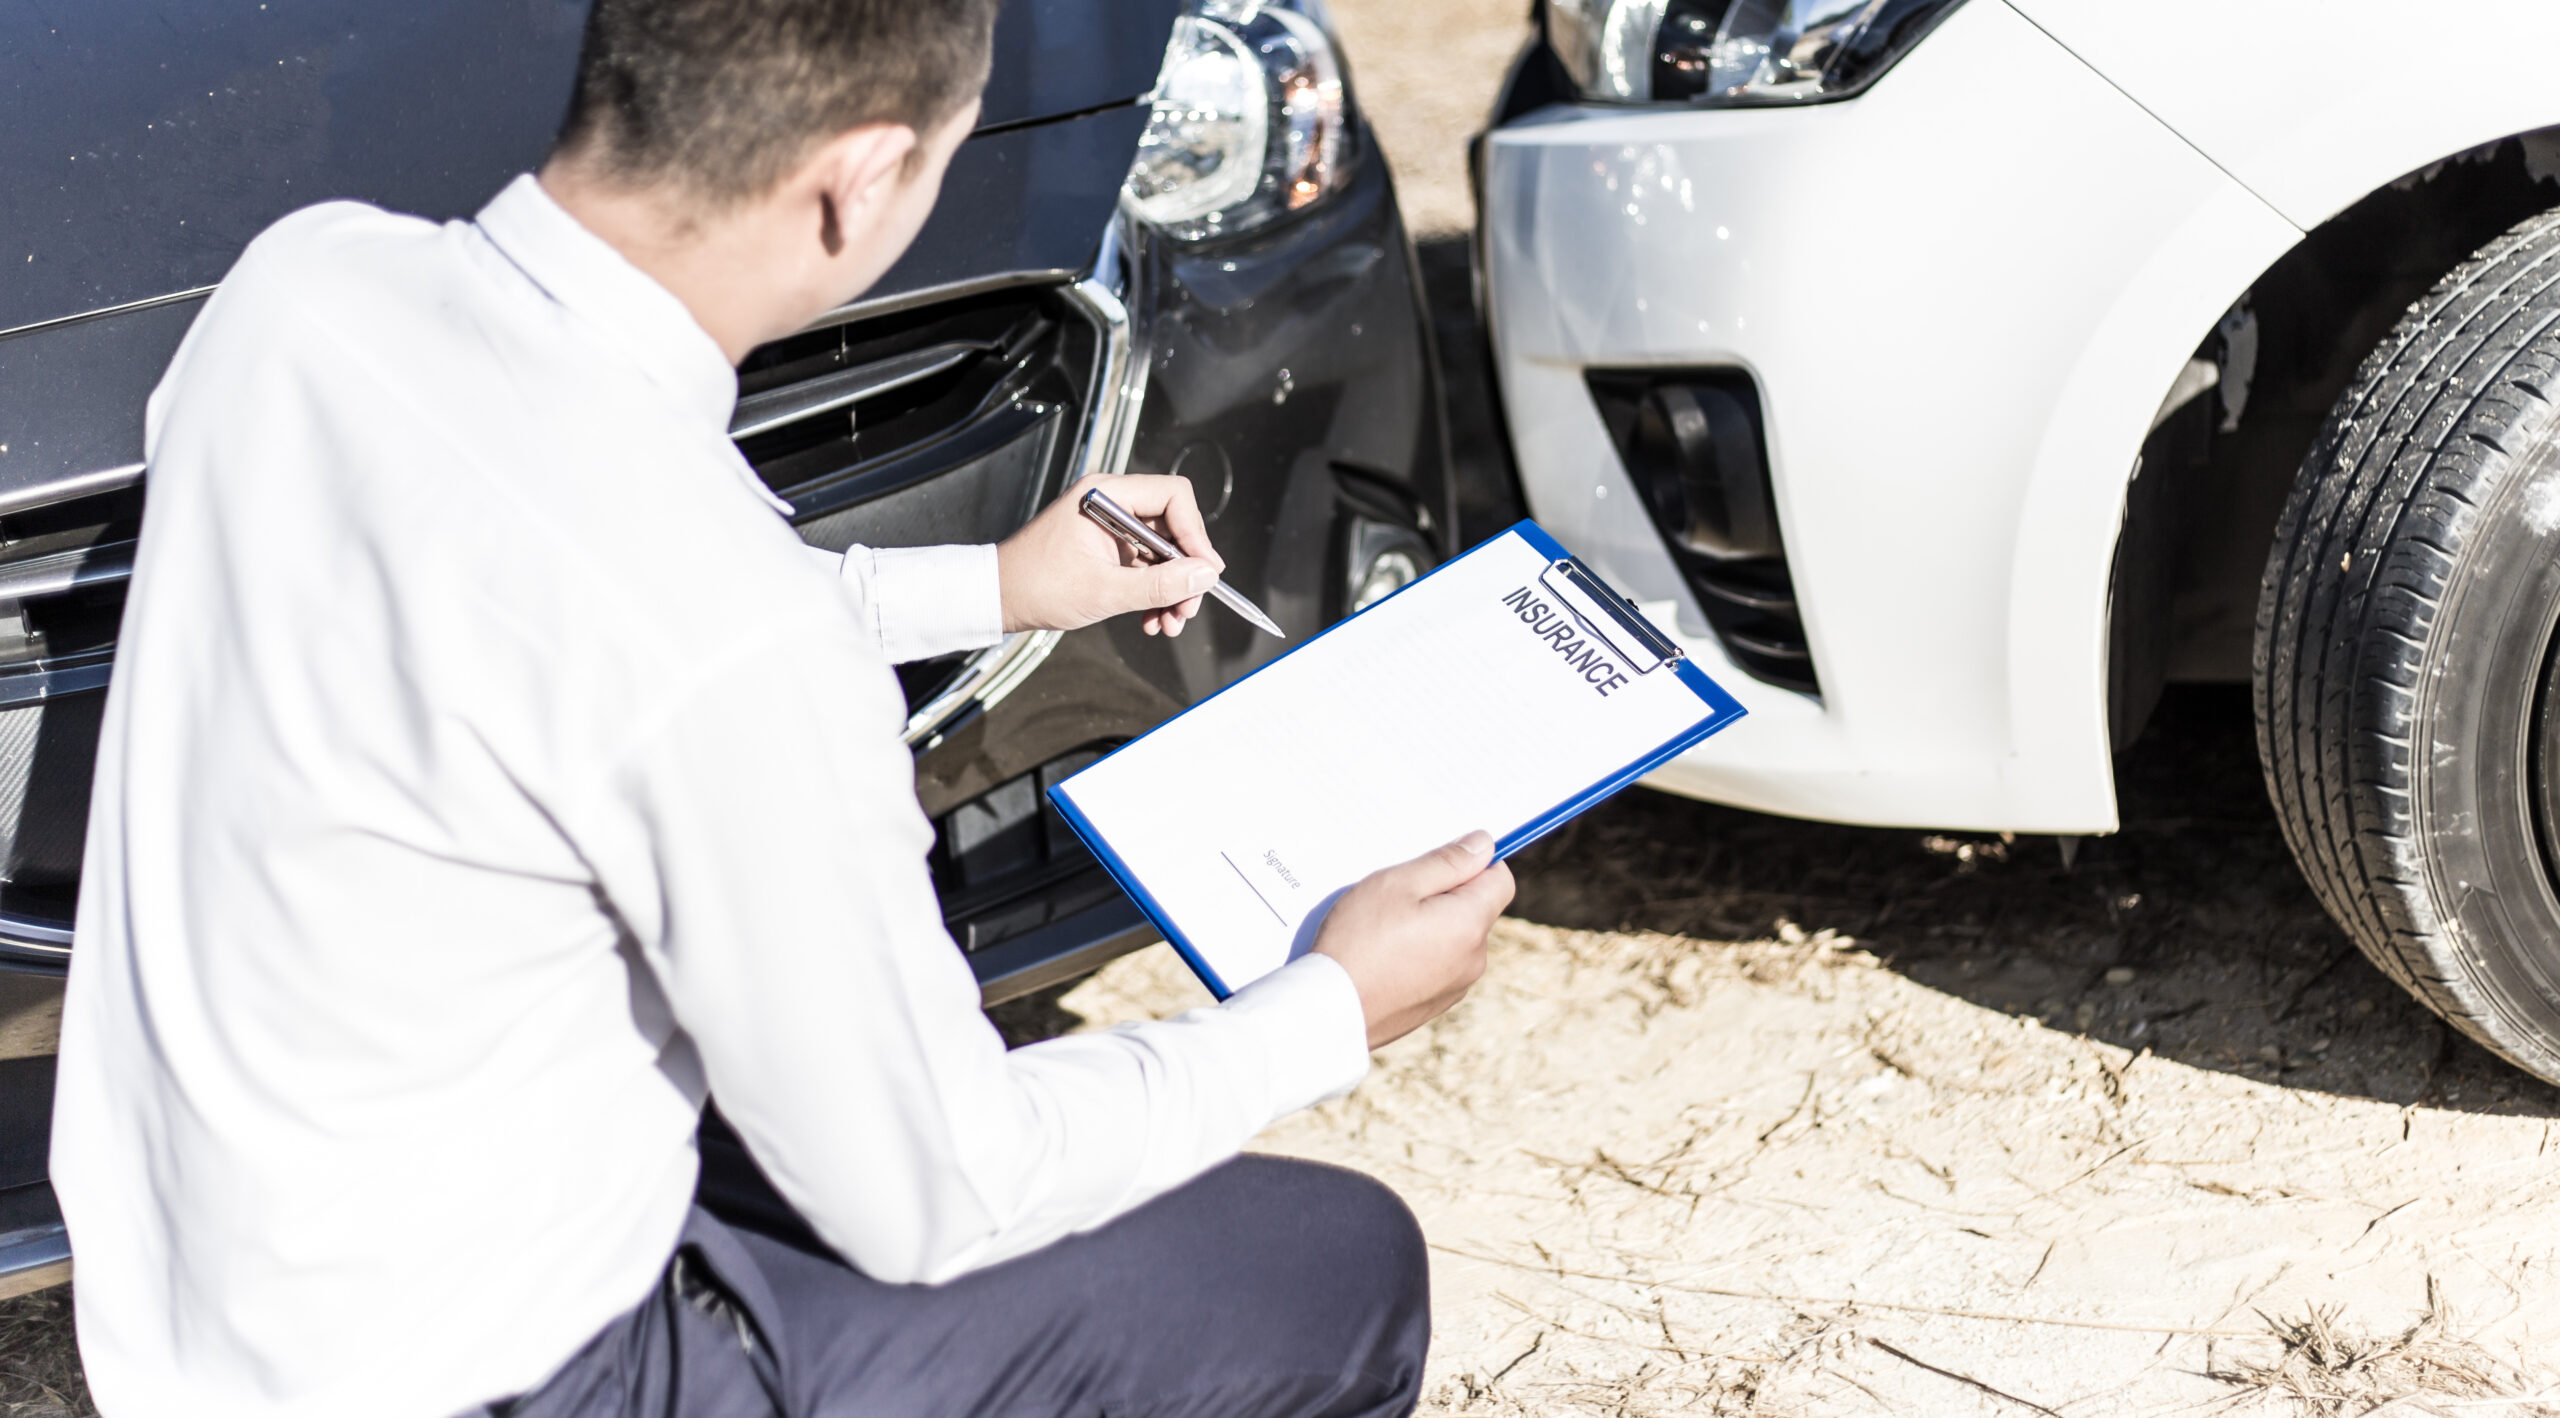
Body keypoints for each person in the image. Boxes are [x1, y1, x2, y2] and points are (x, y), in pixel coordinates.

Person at [46, 1, 1514, 1415]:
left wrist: (997, 583)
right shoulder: (716, 619)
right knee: (1340, 1272)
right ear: (862, 179)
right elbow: (940, 1188)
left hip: (191, 1295)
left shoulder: (308, 289)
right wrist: (1327, 1006)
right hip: (477, 1373)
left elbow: (558, 619)